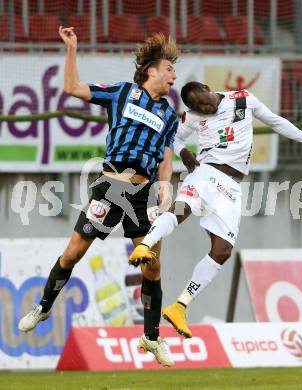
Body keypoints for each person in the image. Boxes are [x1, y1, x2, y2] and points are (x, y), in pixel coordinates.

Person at [18, 27, 181, 367]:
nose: (174, 76)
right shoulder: (122, 93)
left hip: (142, 193)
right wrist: (72, 49)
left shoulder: (168, 114)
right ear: (151, 70)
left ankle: (151, 338)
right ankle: (44, 306)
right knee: (73, 252)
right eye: (169, 70)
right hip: (110, 187)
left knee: (153, 265)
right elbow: (72, 88)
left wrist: (165, 186)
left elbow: (166, 155)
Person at [128, 81, 302, 338]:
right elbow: (173, 137)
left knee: (222, 251)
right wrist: (184, 152)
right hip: (206, 172)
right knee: (180, 210)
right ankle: (144, 245)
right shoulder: (193, 116)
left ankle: (180, 305)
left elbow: (274, 121)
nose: (204, 108)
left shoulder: (242, 99)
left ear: (208, 88)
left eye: (204, 101)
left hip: (231, 186)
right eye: (197, 107)